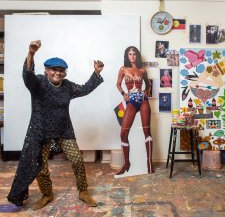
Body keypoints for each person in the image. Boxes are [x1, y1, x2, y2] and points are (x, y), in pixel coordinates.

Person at [7, 40, 104, 210]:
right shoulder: (38, 83)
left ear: (64, 73)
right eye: (54, 70)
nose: (57, 73)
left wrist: (95, 72)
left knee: (77, 160)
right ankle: (47, 194)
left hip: (64, 130)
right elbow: (27, 76)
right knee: (41, 166)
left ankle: (83, 192)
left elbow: (85, 89)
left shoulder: (67, 86)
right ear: (46, 71)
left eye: (61, 70)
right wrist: (31, 54)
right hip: (41, 131)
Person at [115, 46, 154, 175]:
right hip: (131, 101)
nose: (132, 56)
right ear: (127, 56)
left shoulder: (142, 70)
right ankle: (126, 163)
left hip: (142, 100)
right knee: (123, 134)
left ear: (137, 56)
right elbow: (118, 84)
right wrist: (123, 94)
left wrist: (146, 92)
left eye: (134, 54)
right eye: (130, 54)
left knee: (147, 131)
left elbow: (148, 84)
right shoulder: (123, 69)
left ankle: (149, 162)